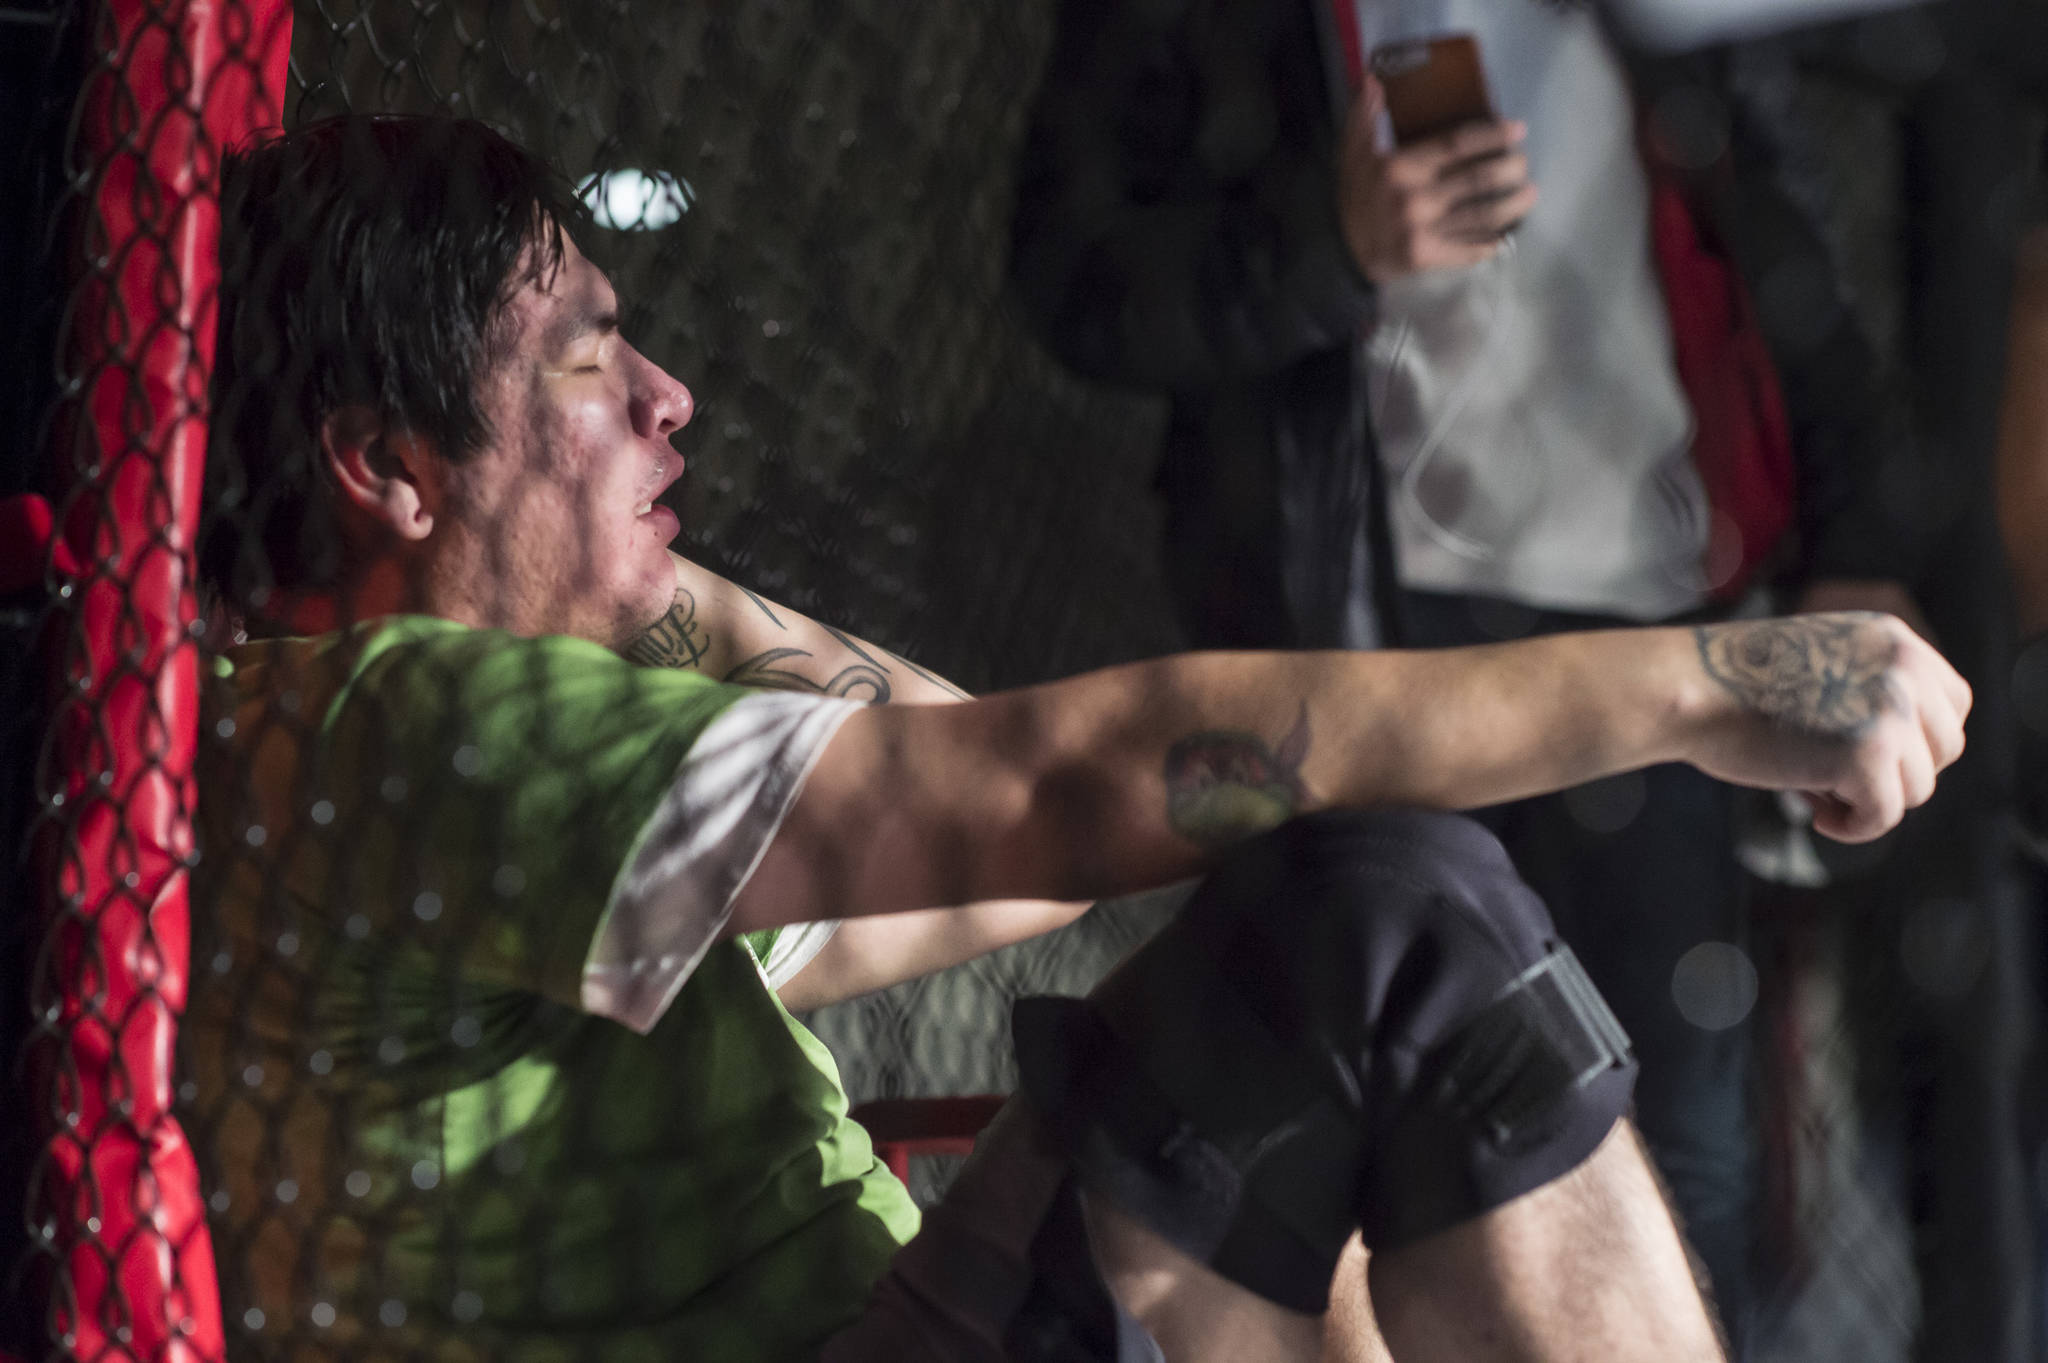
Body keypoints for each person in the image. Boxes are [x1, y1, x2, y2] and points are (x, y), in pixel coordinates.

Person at [188, 113, 1967, 1363]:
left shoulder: (453, 785)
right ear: (388, 467)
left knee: (1322, 1032)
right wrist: (1706, 686)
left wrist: (632, 558)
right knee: (1386, 928)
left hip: (902, 1322)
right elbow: (1060, 791)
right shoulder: (388, 730)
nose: (670, 394)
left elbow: (986, 840)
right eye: (588, 361)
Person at [1006, 3, 1933, 1336]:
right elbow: (1071, 275)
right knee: (1350, 1159)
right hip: (1367, 649)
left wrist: (1855, 551)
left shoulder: (1684, 22)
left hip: (1656, 620)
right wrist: (1328, 245)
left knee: (1676, 1154)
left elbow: (1792, 254)